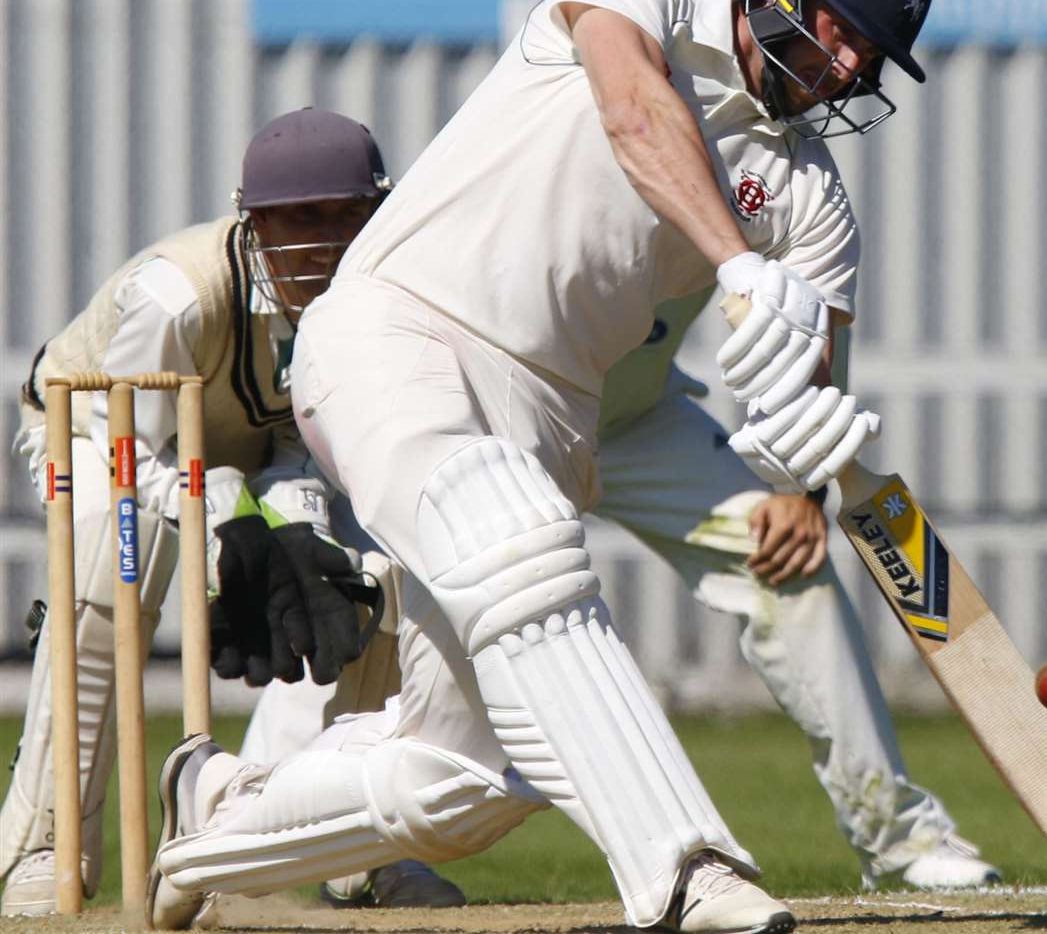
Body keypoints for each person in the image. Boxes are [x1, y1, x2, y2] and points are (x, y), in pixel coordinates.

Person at [147, 0, 939, 934]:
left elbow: (804, 365)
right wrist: (739, 265)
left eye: (868, 58)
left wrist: (798, 436)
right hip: (403, 329)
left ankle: (212, 823)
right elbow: (632, 115)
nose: (843, 70)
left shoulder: (809, 199)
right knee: (515, 536)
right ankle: (688, 865)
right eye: (840, 31)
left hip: (552, 413)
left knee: (466, 780)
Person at [245, 289, 1001, 900]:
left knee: (788, 564)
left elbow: (812, 313)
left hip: (638, 423)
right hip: (496, 419)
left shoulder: (782, 169)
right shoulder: (574, 127)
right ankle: (254, 812)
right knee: (371, 601)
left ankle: (897, 835)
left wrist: (801, 487)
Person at [0, 108, 401, 916]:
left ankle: (363, 851)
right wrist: (221, 514)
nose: (325, 241)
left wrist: (299, 528)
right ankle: (42, 846)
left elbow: (301, 440)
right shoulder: (178, 296)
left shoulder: (369, 295)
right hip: (89, 428)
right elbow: (131, 452)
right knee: (126, 556)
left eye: (345, 215)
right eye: (302, 217)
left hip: (237, 452)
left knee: (382, 579)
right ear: (254, 220)